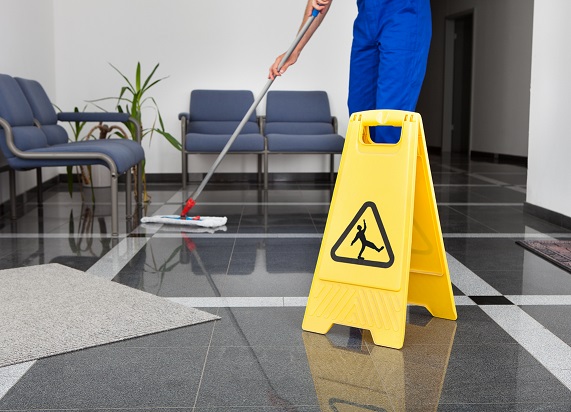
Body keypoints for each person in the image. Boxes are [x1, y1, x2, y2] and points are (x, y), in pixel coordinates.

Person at [269, 0, 432, 143]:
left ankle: (389, 177)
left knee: (390, 119)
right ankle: (366, 176)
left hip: (404, 15)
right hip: (367, 20)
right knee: (360, 115)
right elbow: (318, 4)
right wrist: (296, 49)